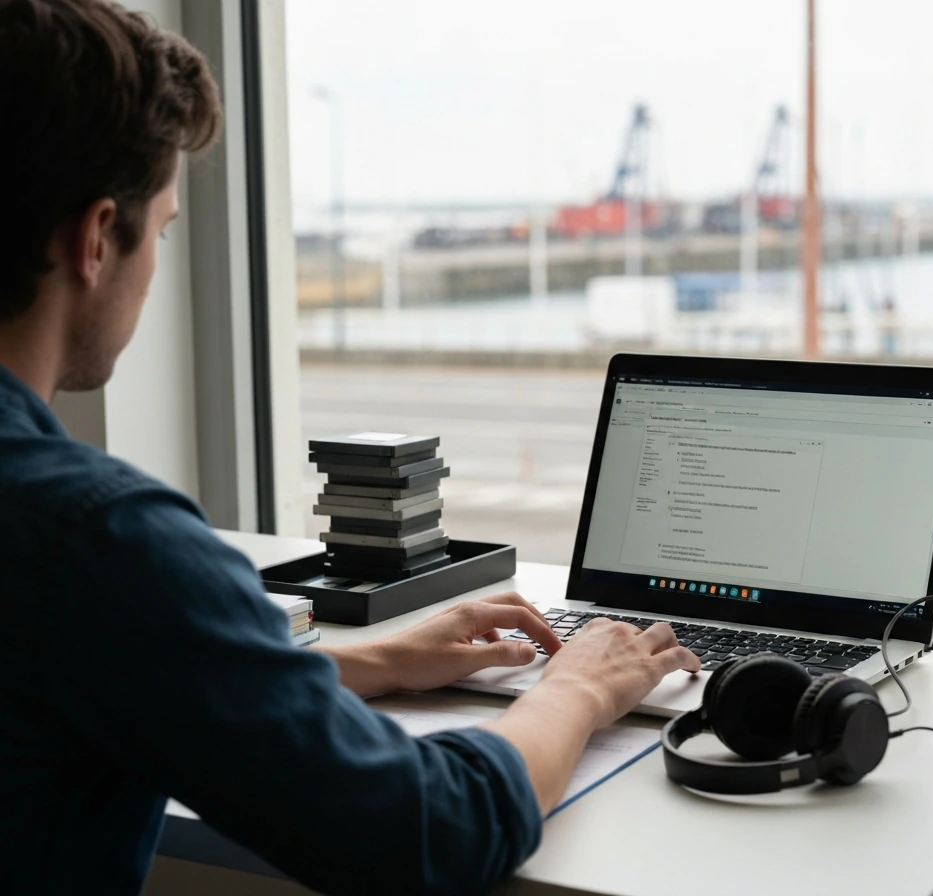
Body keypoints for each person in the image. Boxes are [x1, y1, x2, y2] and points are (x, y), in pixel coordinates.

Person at [0, 2, 698, 894]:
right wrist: (583, 689)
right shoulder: (99, 541)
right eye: (166, 230)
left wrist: (370, 661)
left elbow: (117, 675)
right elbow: (430, 832)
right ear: (98, 239)